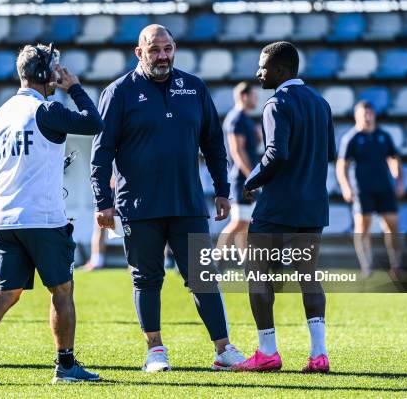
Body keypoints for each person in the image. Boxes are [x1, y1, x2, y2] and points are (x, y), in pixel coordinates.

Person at [91, 24, 246, 372]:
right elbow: (101, 152)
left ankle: (223, 350)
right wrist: (103, 200)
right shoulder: (118, 93)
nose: (162, 56)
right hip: (139, 206)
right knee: (146, 278)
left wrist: (222, 189)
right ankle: (155, 350)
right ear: (139, 52)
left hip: (188, 203)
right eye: (154, 49)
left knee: (203, 275)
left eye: (168, 48)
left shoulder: (194, 87)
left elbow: (213, 143)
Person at [0, 44, 103, 385]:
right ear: (47, 75)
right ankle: (65, 367)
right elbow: (95, 123)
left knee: (7, 291)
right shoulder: (47, 109)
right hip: (43, 217)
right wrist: (74, 87)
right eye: (55, 70)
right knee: (62, 290)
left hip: (4, 218)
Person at [239, 41, 336, 373]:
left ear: (280, 71)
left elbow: (276, 154)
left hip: (278, 209)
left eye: (263, 67)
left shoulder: (276, 104)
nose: (258, 72)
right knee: (309, 279)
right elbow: (329, 154)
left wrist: (250, 180)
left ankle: (268, 352)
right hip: (313, 208)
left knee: (259, 276)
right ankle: (318, 354)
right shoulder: (321, 104)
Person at [336, 101, 404, 278]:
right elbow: (341, 165)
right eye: (363, 113)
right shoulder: (351, 138)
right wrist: (346, 187)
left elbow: (394, 158)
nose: (367, 116)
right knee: (362, 228)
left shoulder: (383, 136)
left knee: (392, 225)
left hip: (384, 188)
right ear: (356, 116)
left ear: (374, 114)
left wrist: (398, 179)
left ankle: (395, 265)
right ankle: (366, 267)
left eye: (369, 112)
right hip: (362, 189)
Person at [216, 82, 260, 253]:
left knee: (246, 222)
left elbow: (249, 147)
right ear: (244, 96)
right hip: (242, 179)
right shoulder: (236, 119)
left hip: (247, 178)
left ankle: (246, 262)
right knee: (239, 222)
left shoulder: (246, 119)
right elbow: (237, 151)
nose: (257, 99)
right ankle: (214, 259)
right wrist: (252, 178)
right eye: (254, 95)